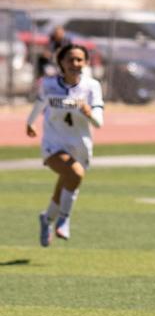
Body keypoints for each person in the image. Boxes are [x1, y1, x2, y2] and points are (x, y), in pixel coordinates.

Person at [25, 44, 104, 247]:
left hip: (80, 145)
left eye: (79, 60)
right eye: (70, 59)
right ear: (61, 62)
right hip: (54, 143)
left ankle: (46, 219)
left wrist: (89, 114)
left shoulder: (92, 86)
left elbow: (99, 123)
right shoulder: (50, 84)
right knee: (75, 174)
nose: (75, 64)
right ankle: (64, 219)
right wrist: (30, 122)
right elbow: (41, 103)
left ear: (85, 63)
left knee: (66, 186)